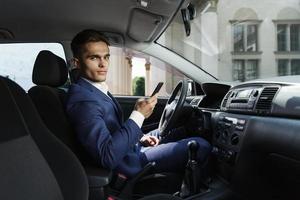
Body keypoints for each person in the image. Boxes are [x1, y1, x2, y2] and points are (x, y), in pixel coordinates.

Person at [66, 29, 212, 179]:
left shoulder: (92, 88)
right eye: (94, 58)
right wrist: (139, 114)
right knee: (201, 145)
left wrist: (140, 138)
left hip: (132, 148)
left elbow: (111, 128)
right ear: (77, 63)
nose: (103, 64)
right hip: (130, 163)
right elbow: (107, 156)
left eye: (106, 57)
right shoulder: (83, 102)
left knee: (178, 131)